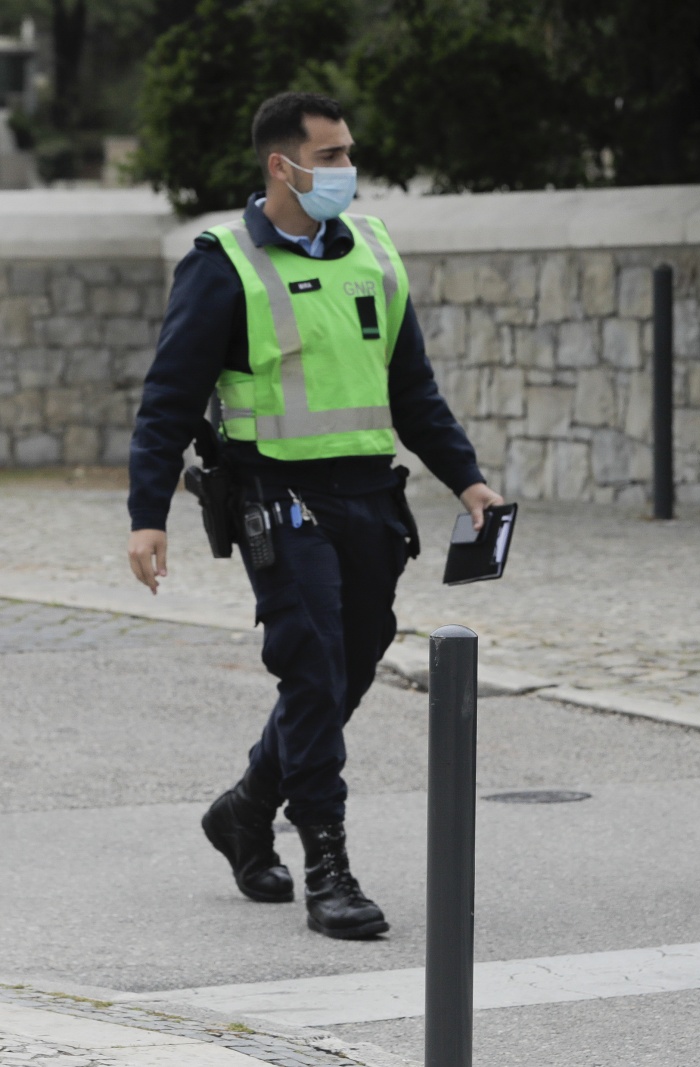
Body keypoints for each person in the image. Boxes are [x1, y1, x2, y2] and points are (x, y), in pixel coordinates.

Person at [126, 92, 503, 940]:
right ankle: (328, 865)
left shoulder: (371, 250)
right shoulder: (222, 263)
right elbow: (168, 400)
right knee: (312, 663)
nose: (345, 171)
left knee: (353, 659)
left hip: (369, 497)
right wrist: (147, 514)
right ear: (280, 165)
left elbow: (413, 389)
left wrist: (468, 480)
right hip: (275, 496)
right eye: (330, 157)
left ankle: (247, 806)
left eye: (345, 154)